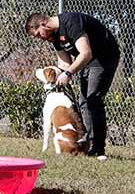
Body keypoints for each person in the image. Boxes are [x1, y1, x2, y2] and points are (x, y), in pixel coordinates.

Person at [25, 11, 121, 161]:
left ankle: (98, 148)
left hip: (104, 57)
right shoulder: (54, 37)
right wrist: (60, 75)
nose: (40, 39)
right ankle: (87, 144)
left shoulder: (71, 22)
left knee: (92, 99)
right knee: (83, 102)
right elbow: (65, 63)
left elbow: (86, 53)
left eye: (38, 34)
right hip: (87, 62)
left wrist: (68, 74)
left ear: (43, 24)